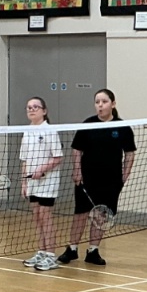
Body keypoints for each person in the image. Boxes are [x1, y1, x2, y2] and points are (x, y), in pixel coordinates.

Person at [58, 88, 135, 266]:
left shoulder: (122, 127)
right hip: (87, 178)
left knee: (101, 215)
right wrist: (77, 170)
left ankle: (93, 251)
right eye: (97, 102)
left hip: (111, 180)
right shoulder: (88, 124)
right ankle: (72, 249)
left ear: (113, 104)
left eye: (104, 102)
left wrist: (124, 176)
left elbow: (130, 153)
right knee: (80, 214)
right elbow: (76, 150)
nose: (100, 105)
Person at [19, 96, 63, 271]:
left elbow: (58, 157)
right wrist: (24, 183)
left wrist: (42, 169)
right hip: (32, 182)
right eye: (29, 107)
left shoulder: (50, 131)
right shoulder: (26, 131)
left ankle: (51, 255)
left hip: (48, 181)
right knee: (37, 216)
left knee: (45, 216)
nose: (31, 110)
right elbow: (24, 160)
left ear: (44, 111)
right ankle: (42, 251)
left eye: (35, 107)